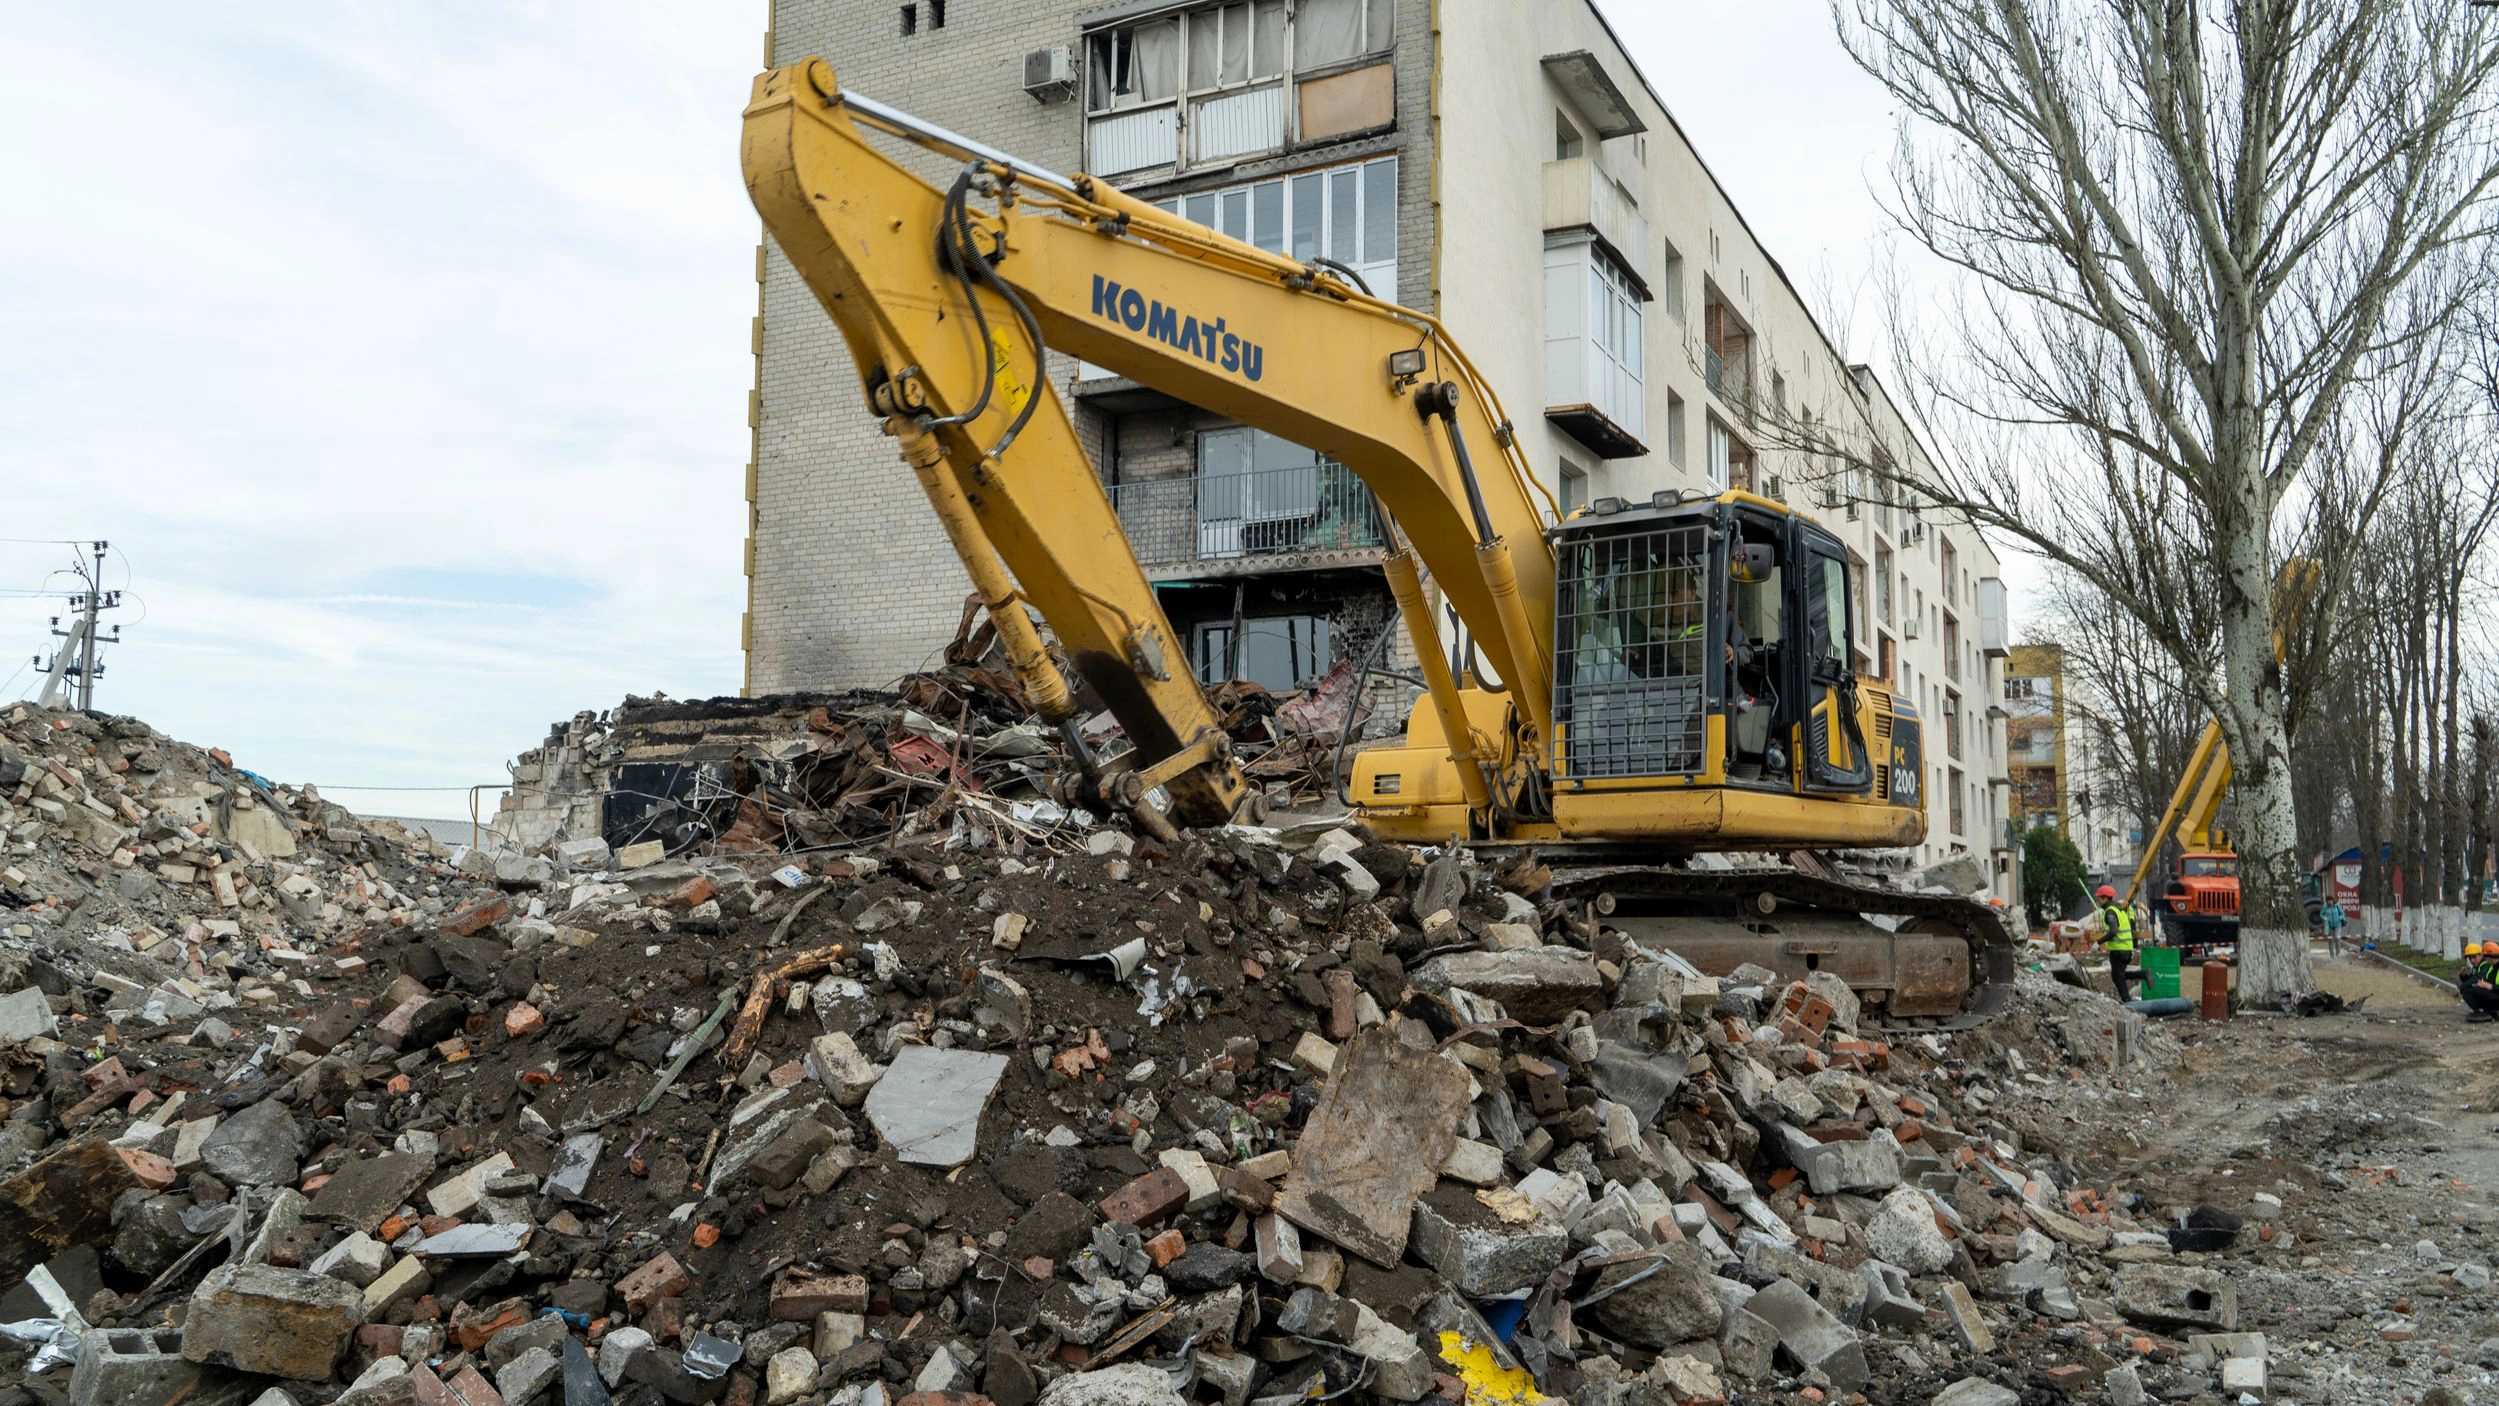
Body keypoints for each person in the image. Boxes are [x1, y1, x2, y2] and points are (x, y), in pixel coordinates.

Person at [2094, 883, 2139, 1003]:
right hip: (2127, 949)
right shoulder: (2120, 909)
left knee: (2117, 976)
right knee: (2119, 975)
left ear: (2105, 898)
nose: (2098, 901)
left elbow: (2113, 931)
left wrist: (2099, 942)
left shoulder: (2110, 911)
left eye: (2099, 898)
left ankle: (2127, 1000)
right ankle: (2143, 975)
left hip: (2118, 951)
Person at [2464, 943, 2499, 1023]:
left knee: (2476, 991)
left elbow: (2491, 985)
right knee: (2472, 990)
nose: (2485, 960)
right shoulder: (2491, 967)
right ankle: (2486, 1012)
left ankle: (2486, 1012)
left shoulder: (2490, 966)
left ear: (2490, 957)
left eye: (2485, 957)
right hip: (2495, 994)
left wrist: (2490, 986)